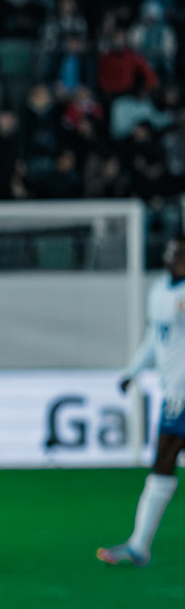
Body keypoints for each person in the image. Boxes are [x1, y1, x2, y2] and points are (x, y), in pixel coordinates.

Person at [99, 233, 185, 566]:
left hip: (182, 395)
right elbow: (155, 339)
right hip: (175, 395)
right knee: (162, 462)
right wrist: (131, 371)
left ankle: (139, 546)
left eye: (179, 252)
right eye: (172, 250)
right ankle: (138, 546)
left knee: (163, 459)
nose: (173, 255)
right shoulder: (160, 292)